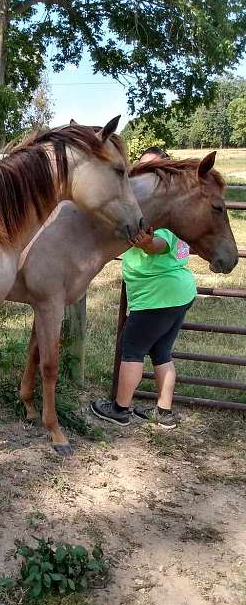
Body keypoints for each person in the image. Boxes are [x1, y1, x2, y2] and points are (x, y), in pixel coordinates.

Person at [91, 147, 197, 429]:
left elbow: (159, 244)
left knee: (132, 349)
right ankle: (163, 414)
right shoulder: (168, 207)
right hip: (178, 292)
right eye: (141, 168)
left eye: (152, 169)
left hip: (157, 296)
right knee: (162, 353)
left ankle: (120, 409)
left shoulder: (162, 212)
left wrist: (146, 243)